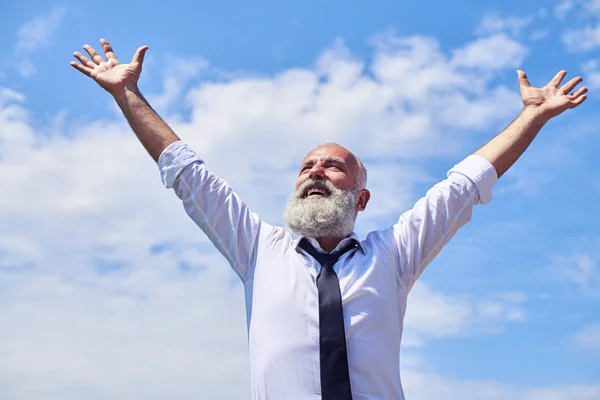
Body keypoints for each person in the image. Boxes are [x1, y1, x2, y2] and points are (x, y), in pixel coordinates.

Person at [70, 39, 587, 400]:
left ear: (360, 198)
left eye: (333, 166)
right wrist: (127, 94)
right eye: (307, 166)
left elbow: (464, 186)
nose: (315, 172)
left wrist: (532, 116)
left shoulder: (394, 255)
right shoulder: (258, 248)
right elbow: (188, 174)